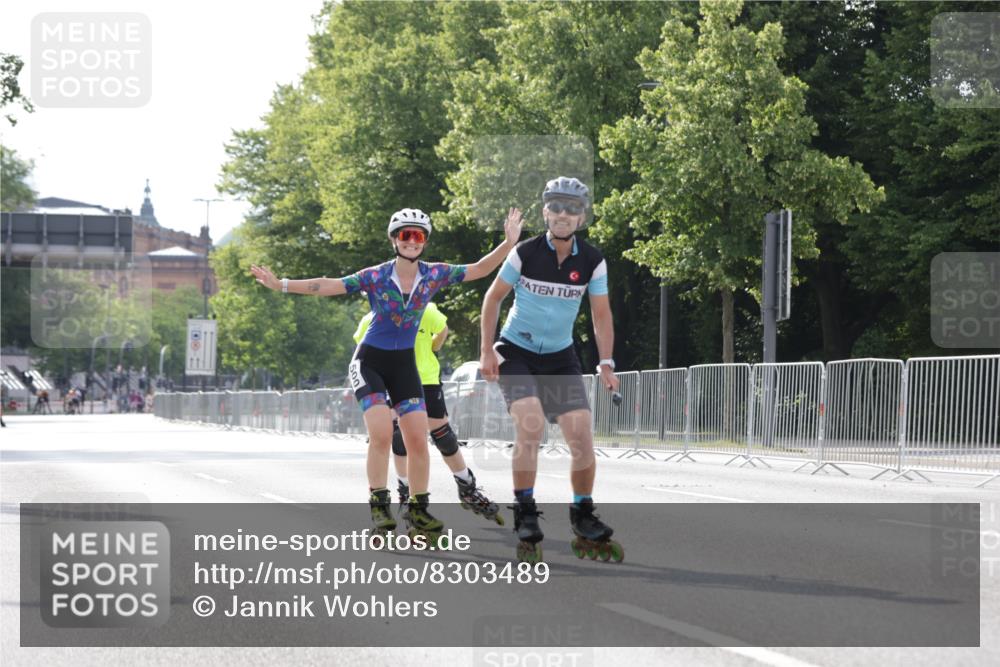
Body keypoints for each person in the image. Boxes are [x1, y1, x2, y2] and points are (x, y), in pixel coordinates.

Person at [252, 207, 522, 541]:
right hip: (370, 362)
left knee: (417, 442)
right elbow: (329, 285)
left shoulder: (434, 273)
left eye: (418, 236)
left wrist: (509, 243)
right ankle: (379, 505)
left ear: (424, 242)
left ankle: (419, 513)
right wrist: (282, 285)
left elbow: (479, 269)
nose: (411, 241)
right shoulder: (375, 276)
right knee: (381, 435)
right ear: (394, 240)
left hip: (403, 364)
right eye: (405, 235)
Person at [480, 176, 624, 563]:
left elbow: (601, 314)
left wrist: (606, 362)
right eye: (556, 207)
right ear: (545, 212)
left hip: (560, 357)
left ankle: (583, 513)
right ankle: (525, 511)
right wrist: (486, 352)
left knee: (581, 434)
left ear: (581, 216)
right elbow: (492, 300)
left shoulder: (592, 260)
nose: (563, 214)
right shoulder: (525, 253)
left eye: (572, 209)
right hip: (516, 352)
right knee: (531, 424)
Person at [354, 302, 503, 525]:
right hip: (394, 382)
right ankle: (406, 491)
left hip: (426, 380)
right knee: (400, 436)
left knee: (443, 435)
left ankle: (466, 485)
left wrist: (432, 347)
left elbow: (442, 330)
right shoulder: (371, 319)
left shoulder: (424, 309)